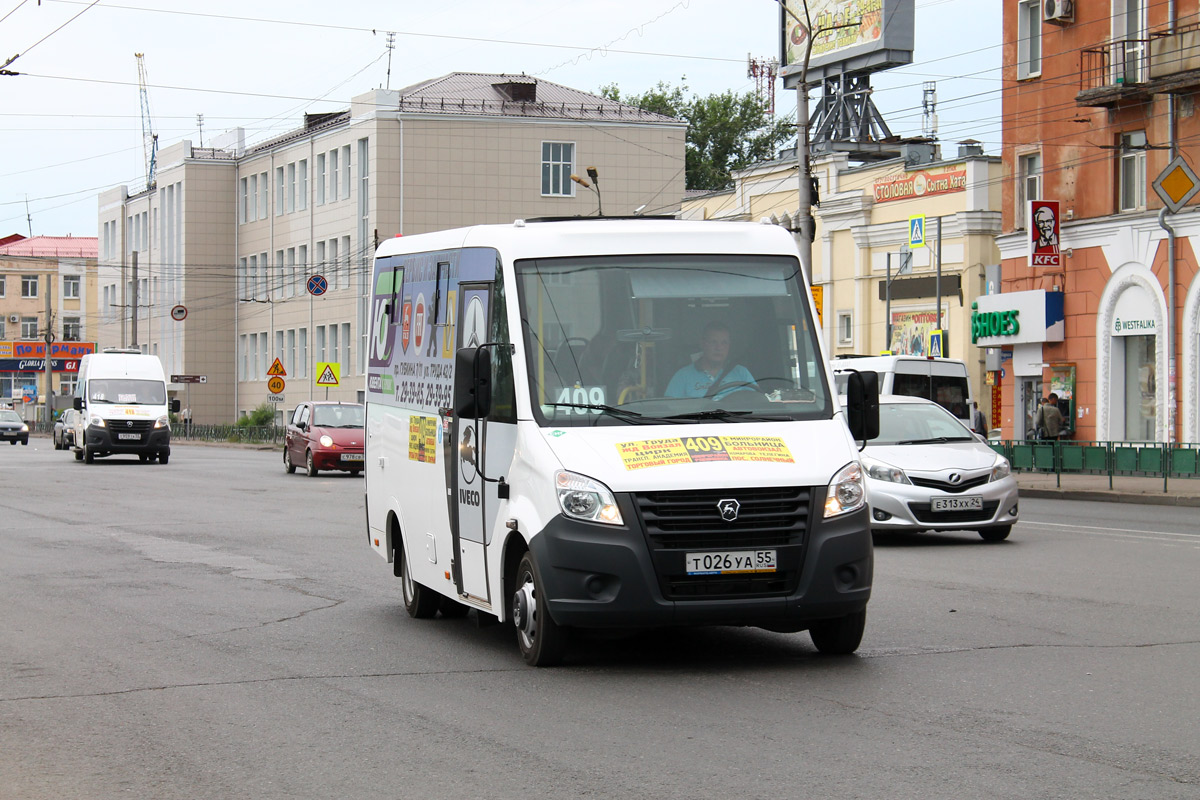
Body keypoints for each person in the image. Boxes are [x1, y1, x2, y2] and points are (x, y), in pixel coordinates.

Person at [665, 322, 756, 400]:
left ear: (729, 346)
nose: (719, 348)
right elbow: (670, 410)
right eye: (713, 342)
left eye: (724, 343)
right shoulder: (682, 376)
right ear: (702, 344)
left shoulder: (741, 373)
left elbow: (757, 403)